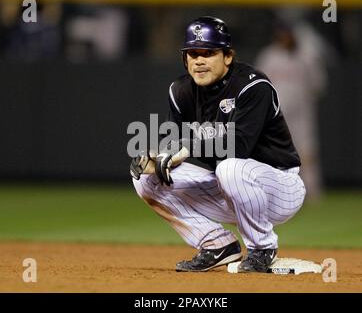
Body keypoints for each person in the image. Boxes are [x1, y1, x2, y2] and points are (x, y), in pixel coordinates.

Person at [130, 16, 306, 273]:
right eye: (192, 53)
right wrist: (158, 156)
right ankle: (217, 244)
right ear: (185, 59)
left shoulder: (252, 86)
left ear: (228, 56)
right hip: (228, 188)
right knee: (146, 179)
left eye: (208, 52)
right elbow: (175, 142)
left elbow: (240, 144)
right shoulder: (181, 92)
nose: (199, 60)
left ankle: (262, 248)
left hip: (279, 188)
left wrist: (187, 148)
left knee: (230, 167)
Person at [256, 19, 327, 200]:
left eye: (286, 33)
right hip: (277, 111)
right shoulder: (269, 56)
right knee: (274, 150)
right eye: (281, 34)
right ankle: (276, 191)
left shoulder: (307, 56)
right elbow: (258, 84)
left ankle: (312, 191)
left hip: (302, 110)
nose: (284, 37)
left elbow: (318, 85)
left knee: (307, 150)